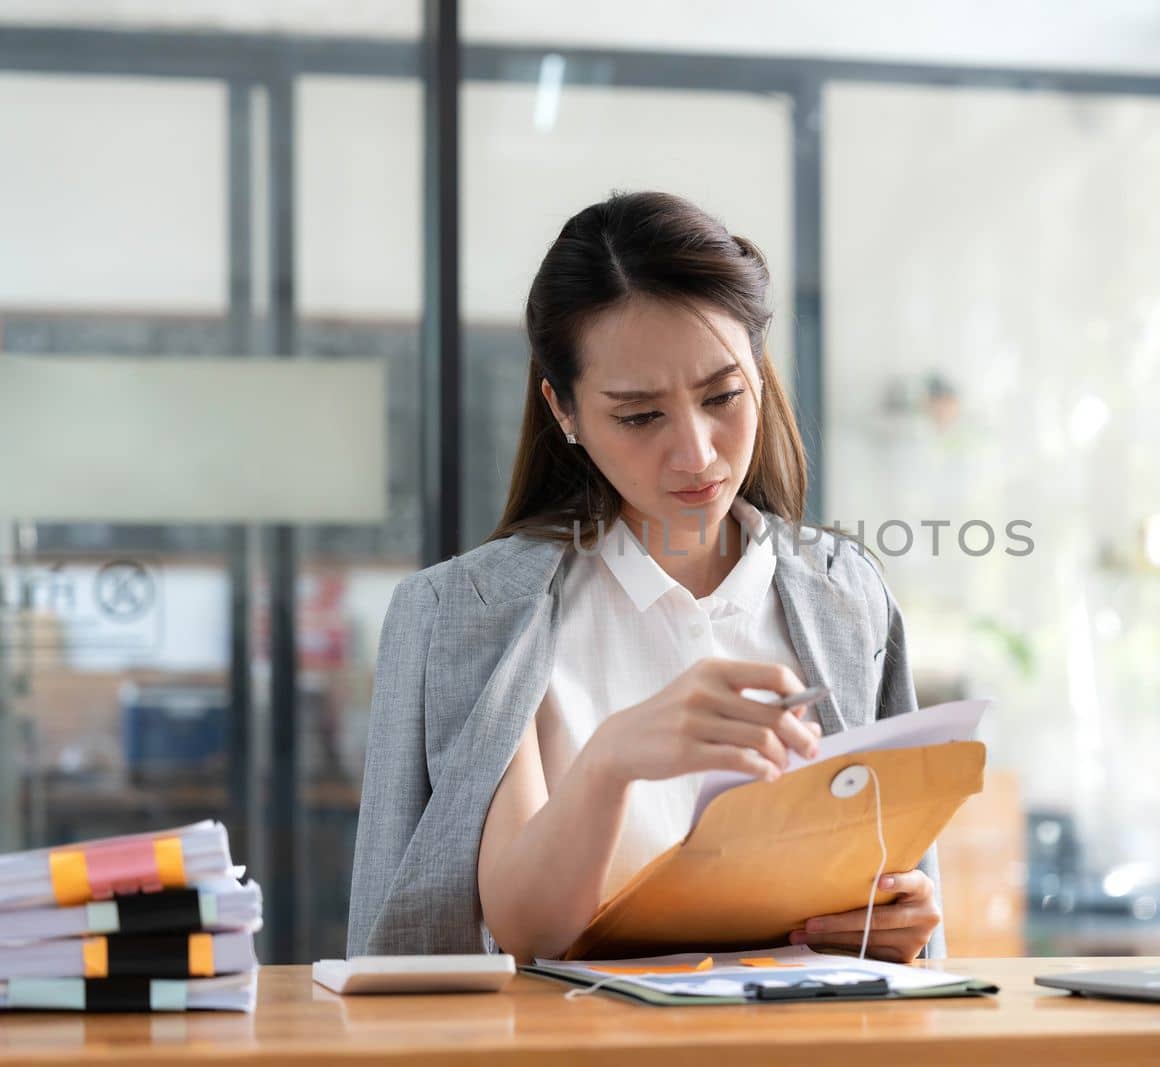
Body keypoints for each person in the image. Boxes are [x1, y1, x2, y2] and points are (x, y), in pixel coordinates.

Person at [347, 190, 943, 963]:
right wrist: (612, 758)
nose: (696, 454)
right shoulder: (476, 612)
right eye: (639, 416)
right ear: (564, 412)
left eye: (723, 395)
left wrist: (901, 917)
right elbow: (526, 929)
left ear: (759, 374)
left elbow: (891, 896)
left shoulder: (847, 595)